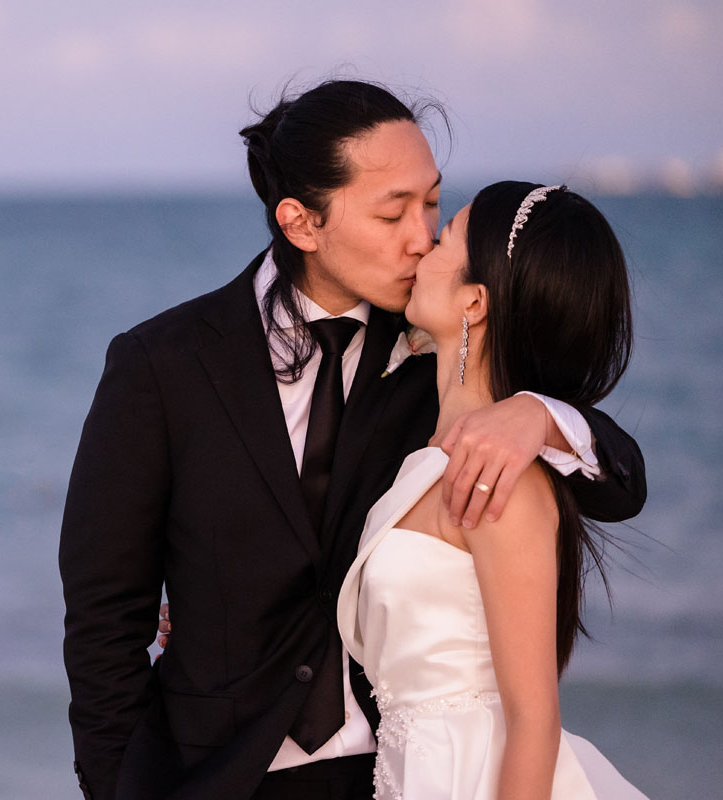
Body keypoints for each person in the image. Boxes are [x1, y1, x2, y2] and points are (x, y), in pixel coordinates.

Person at [59, 80, 645, 800]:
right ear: (303, 224)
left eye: (432, 204)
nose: (421, 237)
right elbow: (103, 621)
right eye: (393, 212)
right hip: (223, 776)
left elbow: (622, 486)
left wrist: (541, 416)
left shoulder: (441, 350)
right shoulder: (163, 365)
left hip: (396, 772)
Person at [334, 182, 647, 798]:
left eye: (444, 235)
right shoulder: (427, 449)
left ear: (474, 301)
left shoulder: (503, 479)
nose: (422, 243)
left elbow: (535, 721)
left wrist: (540, 415)